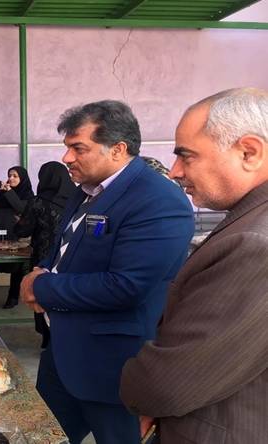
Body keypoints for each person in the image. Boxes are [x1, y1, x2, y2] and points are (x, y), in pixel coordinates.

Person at [19, 100, 194, 444]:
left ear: (118, 149)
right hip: (62, 352)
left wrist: (41, 287)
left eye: (78, 148)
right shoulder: (85, 191)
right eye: (67, 147)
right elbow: (65, 245)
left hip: (112, 367)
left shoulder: (158, 200)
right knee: (42, 437)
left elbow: (126, 286)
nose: (67, 158)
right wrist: (43, 268)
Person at [120, 88, 268, 443]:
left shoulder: (254, 243)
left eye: (186, 156)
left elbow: (167, 384)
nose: (175, 171)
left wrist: (140, 386)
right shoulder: (248, 222)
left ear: (249, 152)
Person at [14, 161, 76, 347]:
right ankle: (66, 337)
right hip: (70, 256)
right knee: (65, 294)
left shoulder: (38, 202)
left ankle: (47, 338)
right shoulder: (78, 199)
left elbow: (23, 230)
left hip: (44, 257)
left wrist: (18, 222)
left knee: (42, 295)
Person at [0, 166, 34, 308]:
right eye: (9, 175)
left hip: (15, 235)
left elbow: (21, 208)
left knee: (16, 267)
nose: (11, 178)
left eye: (15, 176)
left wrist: (9, 191)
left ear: (22, 178)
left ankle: (13, 297)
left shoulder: (27, 194)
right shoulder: (1, 193)